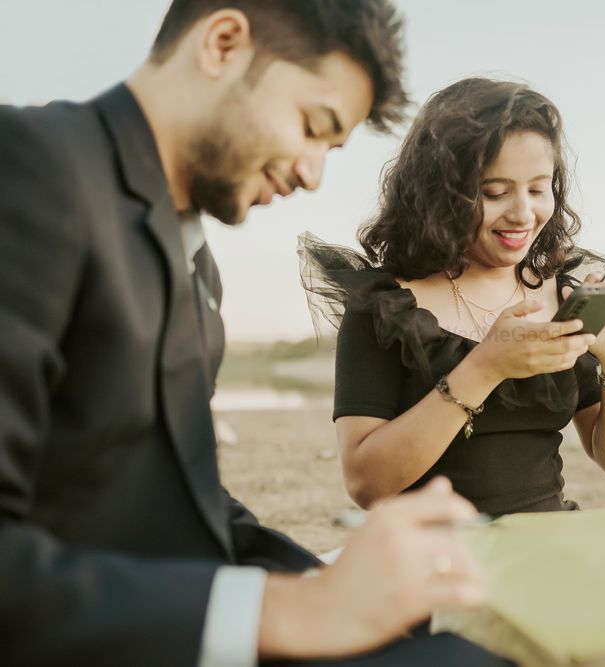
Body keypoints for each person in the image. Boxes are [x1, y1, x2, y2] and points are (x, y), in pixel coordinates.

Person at [0, 2, 512, 666]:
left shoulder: (197, 269)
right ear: (222, 43)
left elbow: (187, 500)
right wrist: (291, 612)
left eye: (330, 151)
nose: (311, 173)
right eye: (313, 127)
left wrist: (342, 589)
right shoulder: (31, 166)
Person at [299, 78, 605, 517]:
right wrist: (484, 368)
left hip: (548, 546)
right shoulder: (386, 306)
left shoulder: (561, 290)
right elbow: (367, 485)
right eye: (494, 193)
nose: (523, 213)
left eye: (538, 189)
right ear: (438, 193)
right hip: (436, 558)